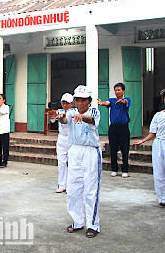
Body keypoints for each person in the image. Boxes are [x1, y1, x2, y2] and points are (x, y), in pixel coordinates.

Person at [49, 85, 102, 238]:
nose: (80, 103)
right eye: (77, 100)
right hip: (75, 150)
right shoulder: (71, 112)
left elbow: (91, 120)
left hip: (90, 151)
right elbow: (66, 120)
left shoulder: (94, 111)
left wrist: (82, 117)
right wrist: (60, 117)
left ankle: (93, 224)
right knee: (73, 188)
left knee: (91, 188)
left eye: (83, 100)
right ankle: (78, 220)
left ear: (89, 101)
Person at [97, 83, 131, 178]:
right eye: (115, 90)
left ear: (123, 91)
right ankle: (114, 169)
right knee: (113, 149)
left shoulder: (127, 99)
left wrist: (121, 102)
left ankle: (125, 170)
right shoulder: (112, 100)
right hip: (113, 128)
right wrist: (101, 103)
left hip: (123, 128)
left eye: (119, 90)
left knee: (124, 149)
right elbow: (106, 103)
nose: (117, 92)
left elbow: (125, 102)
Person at [49, 93, 73, 193]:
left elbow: (66, 120)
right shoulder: (59, 111)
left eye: (67, 103)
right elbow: (53, 120)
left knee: (72, 163)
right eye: (63, 103)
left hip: (71, 139)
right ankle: (62, 184)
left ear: (71, 103)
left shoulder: (73, 112)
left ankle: (71, 185)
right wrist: (51, 116)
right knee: (61, 162)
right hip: (62, 138)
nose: (65, 105)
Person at [0, 93, 10, 168]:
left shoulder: (6, 107)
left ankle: (5, 161)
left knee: (5, 147)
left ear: (4, 100)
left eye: (0, 98)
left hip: (4, 130)